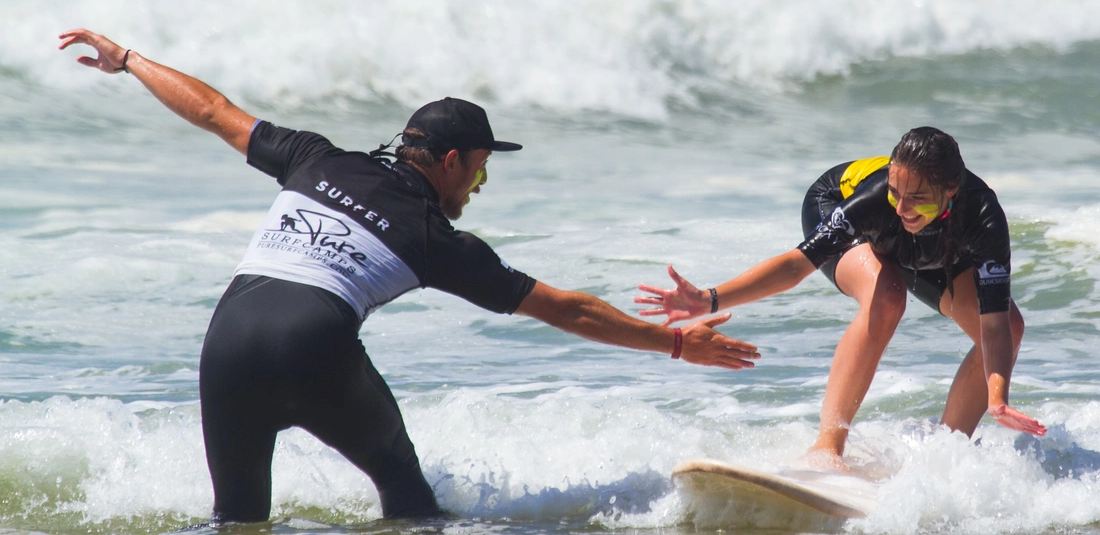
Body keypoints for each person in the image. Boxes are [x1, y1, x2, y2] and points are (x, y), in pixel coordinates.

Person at [58, 28, 760, 524]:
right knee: (404, 492)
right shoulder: (436, 239)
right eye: (481, 166)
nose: (480, 185)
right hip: (314, 346)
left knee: (238, 519)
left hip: (226, 344)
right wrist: (674, 345)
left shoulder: (313, 158)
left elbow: (213, 112)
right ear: (451, 159)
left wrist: (127, 60)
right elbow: (566, 309)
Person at [635, 127, 1046, 464]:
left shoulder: (984, 218)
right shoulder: (877, 203)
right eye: (896, 192)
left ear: (952, 190)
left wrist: (999, 399)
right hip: (833, 202)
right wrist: (710, 299)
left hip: (938, 245)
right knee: (887, 295)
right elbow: (796, 265)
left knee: (1010, 323)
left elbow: (992, 324)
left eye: (916, 199)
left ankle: (944, 451)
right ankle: (827, 448)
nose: (902, 208)